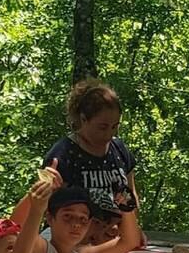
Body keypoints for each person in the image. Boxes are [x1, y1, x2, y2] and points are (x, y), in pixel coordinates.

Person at [45, 79, 139, 212]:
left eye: (114, 127)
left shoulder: (119, 150)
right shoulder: (63, 154)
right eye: (102, 127)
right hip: (75, 229)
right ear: (83, 119)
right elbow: (49, 206)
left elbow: (132, 197)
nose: (109, 134)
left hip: (116, 230)